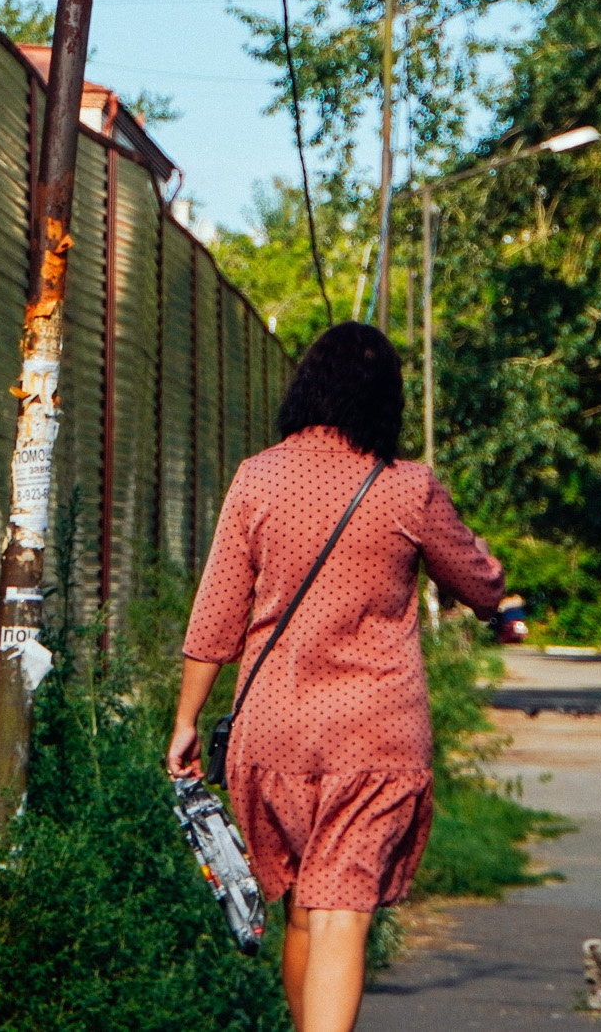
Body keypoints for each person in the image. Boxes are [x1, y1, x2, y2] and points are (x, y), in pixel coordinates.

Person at [167, 322, 505, 1032]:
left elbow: (216, 615)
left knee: (302, 909)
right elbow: (480, 583)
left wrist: (185, 721)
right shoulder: (408, 488)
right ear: (387, 399)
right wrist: (494, 587)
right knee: (341, 913)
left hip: (273, 731)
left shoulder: (257, 476)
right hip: (371, 735)